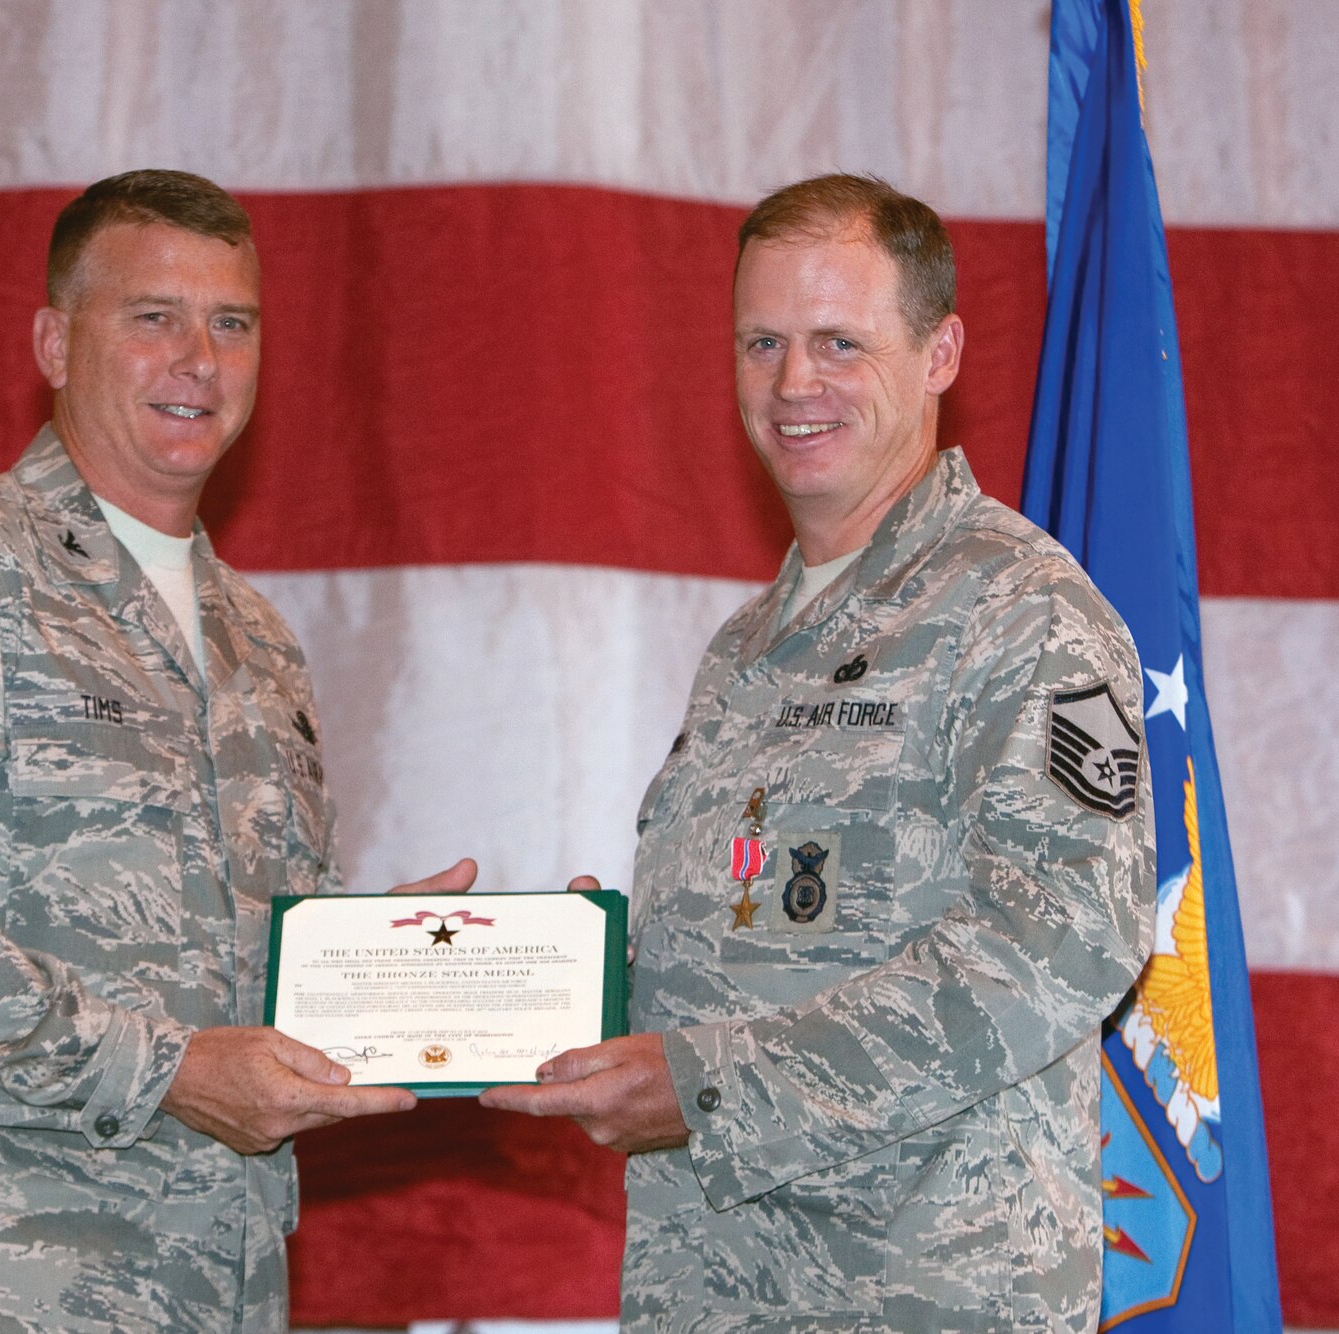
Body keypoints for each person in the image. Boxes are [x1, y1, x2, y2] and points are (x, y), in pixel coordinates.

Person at [0, 169, 472, 1333]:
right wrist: (164, 1070)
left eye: (230, 323)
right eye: (152, 317)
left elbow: (226, 967)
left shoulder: (257, 644)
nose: (198, 356)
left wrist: (391, 966)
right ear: (53, 339)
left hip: (199, 1283)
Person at [483, 175, 1155, 1330]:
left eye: (839, 341)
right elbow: (775, 927)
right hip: (721, 1286)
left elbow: (1061, 940)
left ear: (939, 351)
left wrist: (707, 1081)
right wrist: (581, 973)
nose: (794, 383)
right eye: (763, 342)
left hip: (918, 1291)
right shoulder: (753, 641)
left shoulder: (1023, 611)